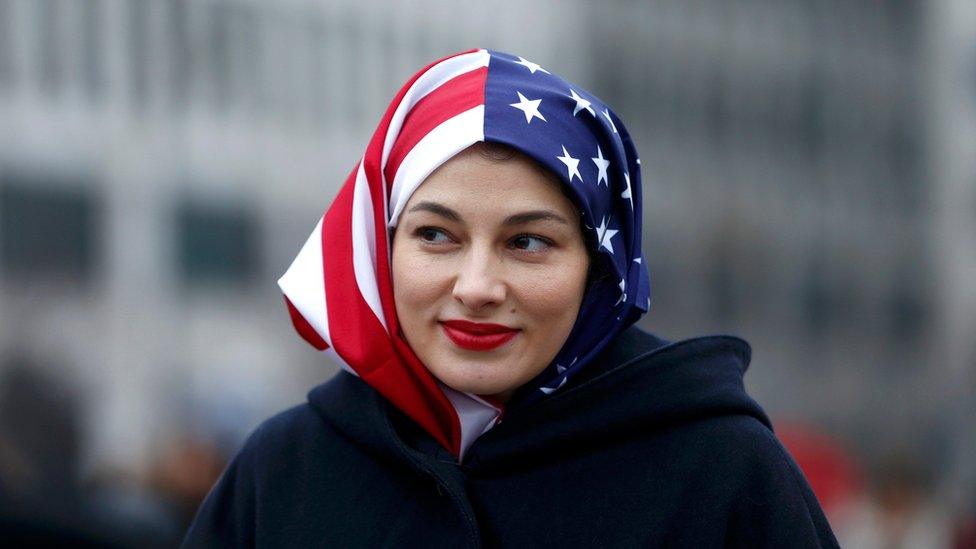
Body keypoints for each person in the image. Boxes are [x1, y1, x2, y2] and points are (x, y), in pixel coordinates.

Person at [183, 49, 839, 548]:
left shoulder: (723, 472)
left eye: (528, 242)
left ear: (599, 266)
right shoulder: (282, 474)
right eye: (436, 234)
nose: (476, 287)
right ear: (383, 249)